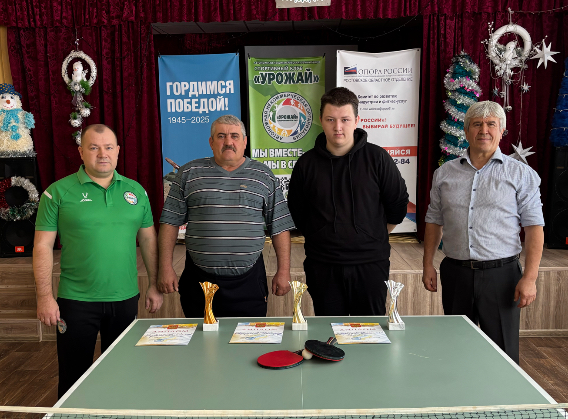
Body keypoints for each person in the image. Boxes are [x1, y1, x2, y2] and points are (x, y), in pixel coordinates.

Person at [33, 124, 162, 398]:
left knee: (123, 374)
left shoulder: (136, 192)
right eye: (94, 147)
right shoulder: (57, 192)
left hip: (125, 299)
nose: (102, 154)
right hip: (76, 302)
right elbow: (42, 246)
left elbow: (149, 239)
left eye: (108, 147)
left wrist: (154, 284)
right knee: (73, 378)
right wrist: (44, 296)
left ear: (118, 151)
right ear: (81, 152)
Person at [422, 101, 544, 364]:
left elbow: (534, 228)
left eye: (491, 124)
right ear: (466, 131)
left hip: (502, 276)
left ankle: (502, 393)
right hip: (456, 274)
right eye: (476, 124)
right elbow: (433, 220)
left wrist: (530, 278)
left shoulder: (521, 174)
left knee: (502, 356)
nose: (484, 130)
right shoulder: (444, 174)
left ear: (502, 131)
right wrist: (427, 264)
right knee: (456, 351)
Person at [287, 87, 409, 316]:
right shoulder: (306, 164)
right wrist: (321, 234)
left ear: (356, 121)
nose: (338, 127)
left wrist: (374, 234)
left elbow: (398, 204)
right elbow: (298, 212)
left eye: (345, 119)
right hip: (322, 264)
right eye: (330, 119)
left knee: (370, 331)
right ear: (321, 120)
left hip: (370, 264)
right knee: (328, 332)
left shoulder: (378, 158)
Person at [158, 115, 295, 317]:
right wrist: (165, 267)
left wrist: (283, 271)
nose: (228, 142)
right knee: (200, 336)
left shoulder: (264, 176)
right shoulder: (189, 173)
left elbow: (280, 226)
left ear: (245, 141)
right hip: (198, 281)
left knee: (248, 336)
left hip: (249, 283)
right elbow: (169, 222)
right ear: (211, 142)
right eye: (221, 136)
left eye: (234, 136)